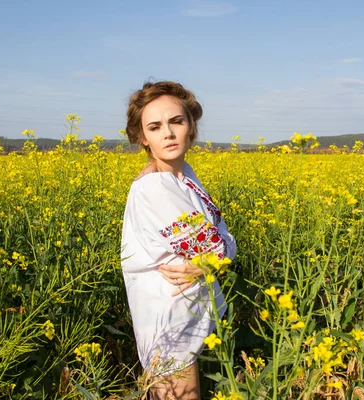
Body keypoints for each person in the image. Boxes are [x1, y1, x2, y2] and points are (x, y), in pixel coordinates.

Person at [120, 81, 237, 399]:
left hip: (188, 315)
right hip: (170, 323)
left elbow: (216, 246)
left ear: (191, 126)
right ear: (143, 138)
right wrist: (221, 251)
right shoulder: (156, 188)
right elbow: (216, 248)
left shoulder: (183, 175)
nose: (168, 133)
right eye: (155, 127)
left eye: (177, 121)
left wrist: (217, 251)